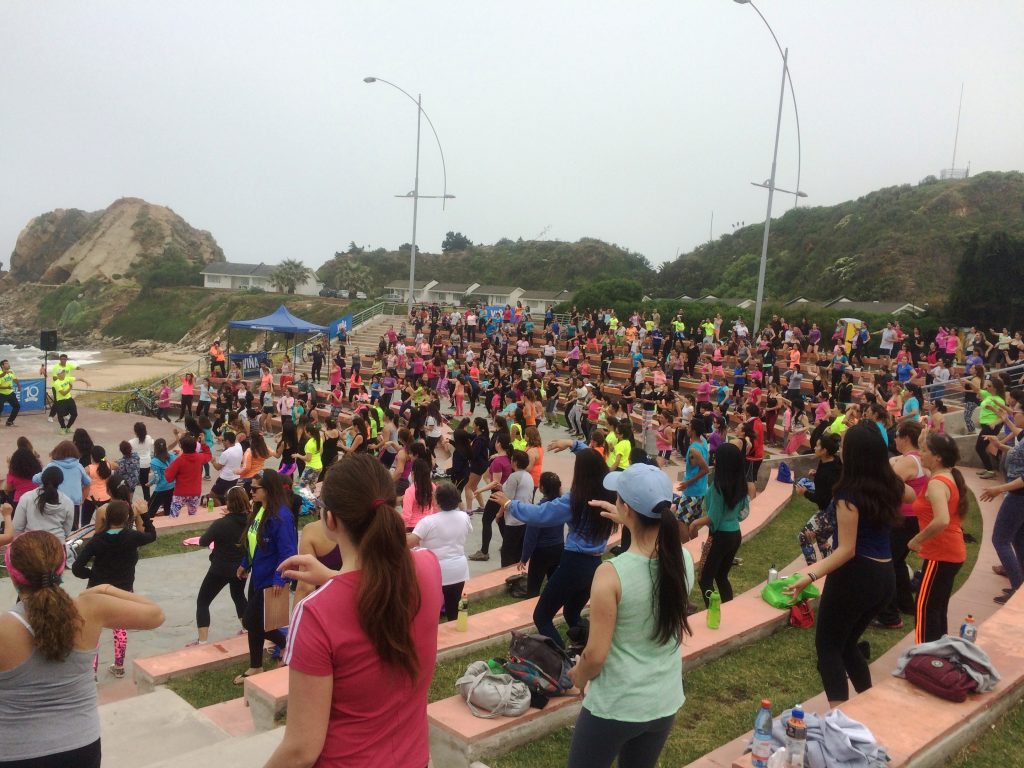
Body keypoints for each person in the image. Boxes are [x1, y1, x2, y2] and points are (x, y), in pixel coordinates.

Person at [265, 454, 442, 768]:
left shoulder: (316, 614)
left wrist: (336, 583)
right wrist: (336, 578)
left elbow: (300, 750)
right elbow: (378, 583)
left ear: (330, 520)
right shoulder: (428, 567)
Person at [565, 463, 693, 768]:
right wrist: (628, 520)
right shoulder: (683, 559)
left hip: (618, 704)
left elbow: (595, 655)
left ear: (627, 509)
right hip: (663, 701)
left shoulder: (611, 574)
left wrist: (579, 677)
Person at [0, 531, 164, 767]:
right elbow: (156, 614)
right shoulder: (91, 609)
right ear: (61, 568)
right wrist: (106, 588)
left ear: (14, 577)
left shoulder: (5, 627)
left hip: (17, 752)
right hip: (82, 747)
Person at [783, 422, 906, 705]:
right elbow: (910, 495)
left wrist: (809, 575)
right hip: (884, 577)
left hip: (855, 577)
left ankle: (840, 720)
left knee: (827, 648)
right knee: (848, 644)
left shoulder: (848, 495)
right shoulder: (889, 485)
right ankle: (867, 708)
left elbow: (846, 550)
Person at [494, 448, 615, 648]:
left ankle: (564, 662)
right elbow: (592, 459)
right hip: (595, 565)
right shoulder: (609, 495)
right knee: (571, 612)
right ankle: (591, 647)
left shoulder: (576, 499)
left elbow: (541, 514)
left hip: (573, 564)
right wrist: (574, 444)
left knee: (542, 616)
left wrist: (509, 504)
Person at [71, 500, 156, 678]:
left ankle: (91, 673)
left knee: (94, 629)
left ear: (107, 517)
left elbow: (77, 567)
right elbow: (151, 535)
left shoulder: (98, 540)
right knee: (120, 627)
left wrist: (91, 574)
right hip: (123, 590)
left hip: (98, 590)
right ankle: (119, 666)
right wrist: (144, 514)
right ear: (127, 518)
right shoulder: (132, 536)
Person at [234, 470, 297, 684]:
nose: (250, 492)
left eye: (254, 489)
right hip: (258, 576)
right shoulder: (260, 509)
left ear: (268, 490)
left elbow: (288, 551)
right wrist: (245, 563)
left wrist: (281, 578)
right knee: (258, 622)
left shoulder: (281, 516)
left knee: (252, 621)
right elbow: (254, 541)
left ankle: (284, 645)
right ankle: (256, 665)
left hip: (271, 579)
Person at [909, 432, 967, 644]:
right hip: (951, 552)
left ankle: (923, 655)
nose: (920, 454)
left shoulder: (937, 484)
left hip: (940, 554)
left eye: (924, 451)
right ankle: (936, 655)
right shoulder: (946, 474)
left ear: (938, 457)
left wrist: (918, 539)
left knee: (924, 607)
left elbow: (941, 520)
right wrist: (924, 438)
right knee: (937, 606)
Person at [873, 420, 927, 629]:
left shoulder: (909, 461)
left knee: (887, 563)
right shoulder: (915, 458)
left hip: (903, 519)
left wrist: (893, 464)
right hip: (910, 519)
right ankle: (905, 604)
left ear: (905, 438)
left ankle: (889, 615)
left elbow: (885, 482)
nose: (894, 438)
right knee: (897, 563)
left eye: (897, 435)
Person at [689, 443, 752, 605]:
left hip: (719, 537)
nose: (714, 460)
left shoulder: (719, 488)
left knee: (705, 579)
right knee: (721, 576)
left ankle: (714, 612)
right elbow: (743, 513)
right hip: (734, 535)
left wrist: (695, 523)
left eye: (717, 458)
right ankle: (728, 610)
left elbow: (713, 518)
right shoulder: (740, 484)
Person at [187, 485, 249, 646]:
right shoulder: (251, 521)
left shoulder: (221, 524)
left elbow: (203, 542)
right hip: (241, 567)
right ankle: (247, 629)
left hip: (220, 568)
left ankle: (202, 641)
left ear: (228, 503)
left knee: (203, 601)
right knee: (239, 596)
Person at [406, 481, 471, 621]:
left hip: (435, 571)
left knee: (429, 608)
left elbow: (410, 542)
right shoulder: (464, 517)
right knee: (453, 607)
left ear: (437, 500)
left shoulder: (428, 521)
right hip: (459, 569)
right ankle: (455, 633)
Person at [795, 433, 843, 565]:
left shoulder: (826, 473)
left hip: (829, 513)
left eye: (817, 446)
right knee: (821, 539)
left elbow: (821, 499)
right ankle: (830, 567)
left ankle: (812, 568)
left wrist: (804, 492)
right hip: (836, 511)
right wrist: (817, 473)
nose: (814, 448)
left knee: (803, 536)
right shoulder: (834, 461)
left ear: (824, 450)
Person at [13, 465, 75, 540]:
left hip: (30, 545)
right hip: (57, 545)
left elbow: (17, 527)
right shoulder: (68, 502)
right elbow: (67, 531)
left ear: (42, 478)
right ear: (60, 481)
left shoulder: (27, 497)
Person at [163, 434, 212, 517]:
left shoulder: (179, 461)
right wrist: (203, 444)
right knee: (192, 515)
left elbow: (168, 478)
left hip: (180, 493)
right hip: (195, 492)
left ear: (182, 447)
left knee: (173, 516)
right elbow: (209, 455)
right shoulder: (199, 457)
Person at [976, 377, 1006, 478]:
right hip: (986, 425)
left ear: (995, 388)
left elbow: (1003, 416)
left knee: (979, 447)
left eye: (989, 386)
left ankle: (990, 470)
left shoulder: (1000, 400)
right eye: (987, 385)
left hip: (991, 427)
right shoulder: (989, 396)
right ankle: (988, 468)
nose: (987, 387)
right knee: (981, 447)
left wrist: (994, 423)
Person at [401, 458, 437, 532]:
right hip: (429, 525)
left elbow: (406, 516)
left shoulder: (410, 491)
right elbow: (436, 507)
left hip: (413, 527)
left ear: (412, 473)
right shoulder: (432, 486)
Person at [53, 367, 90, 433]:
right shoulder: (56, 383)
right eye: (61, 373)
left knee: (74, 414)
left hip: (69, 399)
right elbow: (63, 393)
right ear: (58, 375)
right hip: (61, 401)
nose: (63, 374)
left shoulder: (67, 378)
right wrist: (70, 388)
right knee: (60, 415)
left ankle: (68, 427)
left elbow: (79, 378)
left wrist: (86, 382)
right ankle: (63, 428)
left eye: (63, 372)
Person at [210, 431, 243, 504]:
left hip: (225, 478)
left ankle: (216, 510)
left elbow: (218, 467)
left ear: (227, 441)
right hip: (235, 477)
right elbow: (236, 439)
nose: (222, 442)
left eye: (223, 440)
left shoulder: (226, 453)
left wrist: (213, 461)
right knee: (227, 495)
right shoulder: (239, 446)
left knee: (212, 495)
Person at [128, 422, 155, 503]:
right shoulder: (149, 438)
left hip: (137, 465)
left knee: (133, 484)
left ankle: (130, 503)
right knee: (145, 485)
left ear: (135, 432)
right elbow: (152, 443)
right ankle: (148, 502)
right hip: (147, 464)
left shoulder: (131, 442)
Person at [0, 358, 22, 427]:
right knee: (0, 408)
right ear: (2, 366)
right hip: (1, 394)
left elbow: (15, 379)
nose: (8, 364)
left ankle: (9, 421)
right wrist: (7, 387)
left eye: (8, 363)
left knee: (17, 406)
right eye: (6, 363)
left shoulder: (11, 372)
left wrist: (19, 385)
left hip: (10, 393)